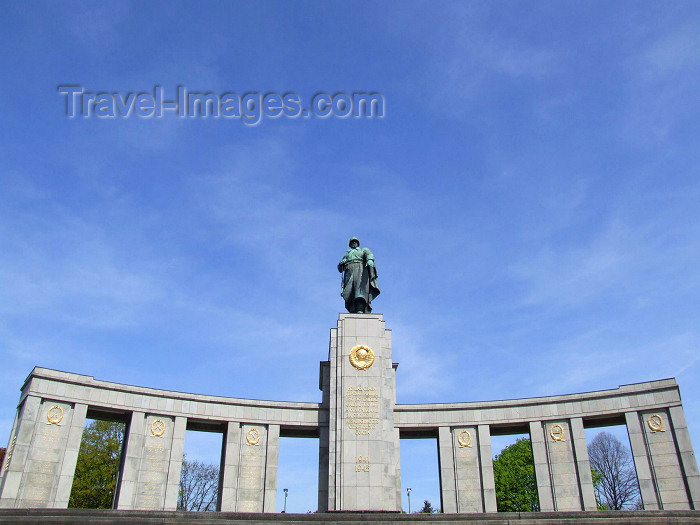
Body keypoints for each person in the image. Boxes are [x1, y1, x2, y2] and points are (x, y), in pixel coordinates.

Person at [337, 237, 380, 313]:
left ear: (358, 243)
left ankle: (360, 308)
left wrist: (370, 260)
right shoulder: (347, 255)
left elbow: (369, 254)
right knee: (349, 291)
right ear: (350, 244)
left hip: (360, 271)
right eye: (352, 242)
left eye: (355, 242)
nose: (354, 243)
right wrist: (341, 264)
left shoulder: (363, 250)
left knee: (359, 291)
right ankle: (352, 308)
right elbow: (340, 270)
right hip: (348, 272)